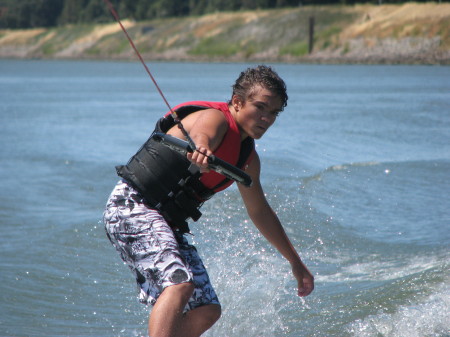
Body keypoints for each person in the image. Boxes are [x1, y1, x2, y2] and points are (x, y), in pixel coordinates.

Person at [103, 65, 314, 337]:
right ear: (237, 102)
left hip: (167, 225)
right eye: (260, 108)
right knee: (179, 284)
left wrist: (295, 262)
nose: (266, 118)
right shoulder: (216, 118)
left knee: (207, 309)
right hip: (131, 207)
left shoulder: (248, 159)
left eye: (273, 113)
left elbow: (259, 211)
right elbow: (204, 133)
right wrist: (201, 148)